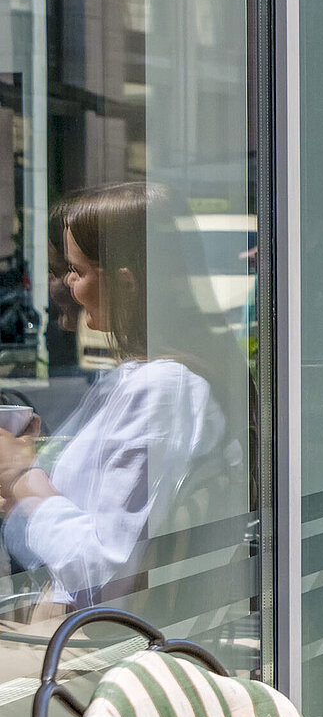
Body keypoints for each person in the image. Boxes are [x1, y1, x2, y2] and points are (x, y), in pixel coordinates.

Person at [0, 183, 246, 608]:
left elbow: (105, 572)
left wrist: (21, 475)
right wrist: (23, 488)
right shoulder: (146, 379)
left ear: (125, 282)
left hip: (90, 635)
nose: (67, 286)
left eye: (76, 271)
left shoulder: (162, 390)